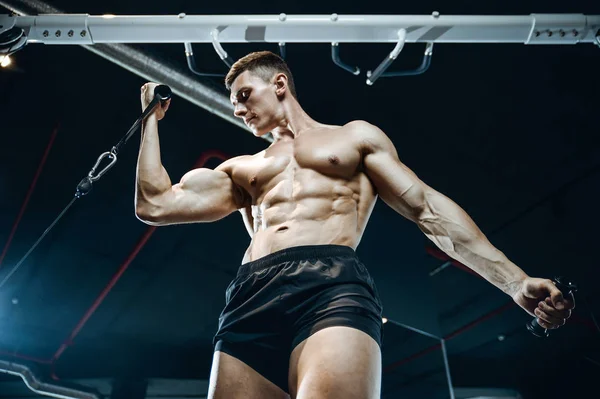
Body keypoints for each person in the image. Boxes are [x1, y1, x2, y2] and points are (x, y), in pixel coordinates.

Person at [134, 51, 574, 399]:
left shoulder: (353, 138)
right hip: (252, 293)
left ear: (279, 84)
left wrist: (514, 282)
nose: (239, 110)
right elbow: (154, 204)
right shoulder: (240, 169)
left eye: (245, 95)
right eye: (233, 105)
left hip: (330, 285)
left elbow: (427, 210)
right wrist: (149, 122)